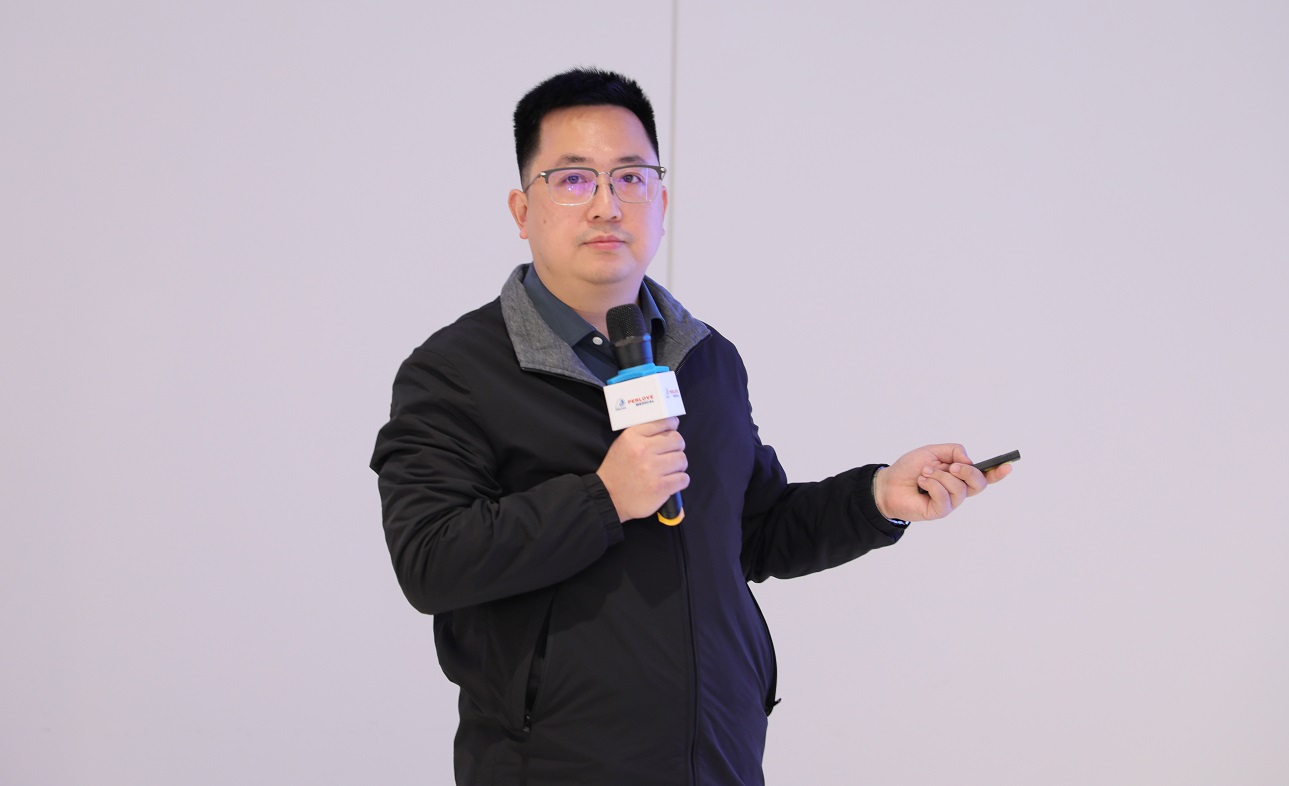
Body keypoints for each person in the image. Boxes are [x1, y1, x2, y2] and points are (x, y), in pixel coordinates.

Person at [369, 67, 1012, 786]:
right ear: (523, 210)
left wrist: (878, 497)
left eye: (631, 178)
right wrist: (603, 499)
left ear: (662, 202)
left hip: (719, 760)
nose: (607, 205)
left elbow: (754, 531)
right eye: (574, 180)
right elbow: (430, 560)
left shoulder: (705, 358)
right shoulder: (457, 371)